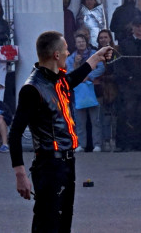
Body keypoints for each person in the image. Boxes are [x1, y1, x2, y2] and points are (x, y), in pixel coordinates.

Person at [8, 31, 111, 232]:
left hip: (66, 163)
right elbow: (15, 133)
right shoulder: (32, 88)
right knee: (47, 225)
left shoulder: (58, 79)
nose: (68, 52)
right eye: (65, 49)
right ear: (56, 55)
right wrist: (20, 173)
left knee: (63, 224)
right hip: (48, 166)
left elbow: (75, 77)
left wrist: (97, 56)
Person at [114, 15, 141, 152]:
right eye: (137, 26)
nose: (140, 29)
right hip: (129, 86)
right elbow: (119, 65)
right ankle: (126, 144)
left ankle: (139, 144)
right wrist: (128, 78)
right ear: (132, 27)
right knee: (128, 114)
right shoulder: (124, 44)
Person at [65, 33, 104, 152]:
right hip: (78, 92)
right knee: (80, 120)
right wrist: (76, 64)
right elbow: (69, 73)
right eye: (78, 42)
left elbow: (101, 68)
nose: (81, 44)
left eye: (82, 41)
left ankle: (97, 144)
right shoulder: (71, 57)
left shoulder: (94, 54)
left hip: (92, 89)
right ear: (75, 44)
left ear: (86, 42)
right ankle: (81, 144)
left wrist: (89, 76)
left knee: (95, 120)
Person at [95, 29, 119, 151]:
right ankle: (104, 141)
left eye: (105, 37)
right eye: (101, 38)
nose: (103, 39)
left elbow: (117, 71)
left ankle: (113, 141)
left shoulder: (115, 52)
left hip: (113, 88)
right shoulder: (95, 54)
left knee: (113, 117)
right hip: (99, 89)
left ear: (110, 38)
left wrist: (105, 78)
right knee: (102, 117)